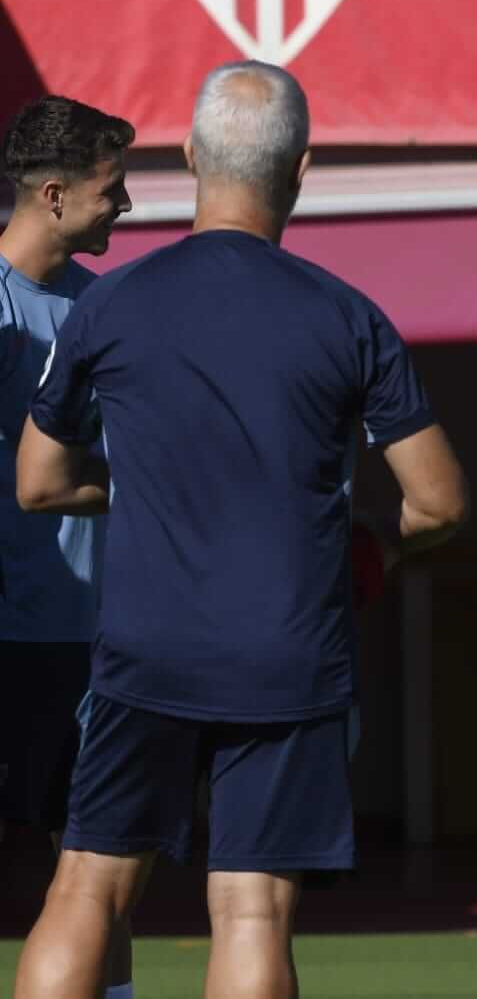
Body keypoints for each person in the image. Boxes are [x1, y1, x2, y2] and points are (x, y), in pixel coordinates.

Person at [9, 61, 470, 999]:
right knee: (252, 907)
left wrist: (135, 490)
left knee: (87, 885)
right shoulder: (350, 317)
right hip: (287, 651)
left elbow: (39, 484)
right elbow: (441, 503)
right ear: (300, 169)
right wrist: (367, 539)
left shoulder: (109, 303)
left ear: (188, 156)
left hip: (145, 648)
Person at [0, 98, 134, 999]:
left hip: (95, 642)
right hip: (8, 638)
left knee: (99, 874)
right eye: (110, 190)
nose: (125, 206)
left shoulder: (109, 309)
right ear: (53, 195)